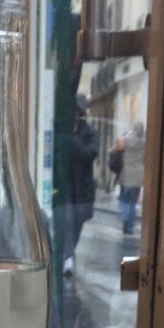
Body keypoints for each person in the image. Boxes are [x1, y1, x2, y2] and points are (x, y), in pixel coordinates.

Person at [63, 93, 99, 276]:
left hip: (82, 189)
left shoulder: (90, 132)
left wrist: (72, 138)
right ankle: (68, 257)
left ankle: (70, 253)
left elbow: (90, 154)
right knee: (68, 222)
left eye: (78, 111)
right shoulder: (64, 130)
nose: (75, 114)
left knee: (77, 224)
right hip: (66, 188)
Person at [117, 121, 145, 235]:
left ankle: (124, 218)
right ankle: (130, 227)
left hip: (126, 173)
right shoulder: (144, 142)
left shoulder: (125, 138)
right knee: (133, 203)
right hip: (138, 175)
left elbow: (116, 149)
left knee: (123, 199)